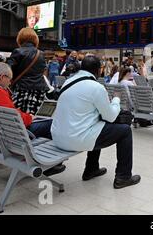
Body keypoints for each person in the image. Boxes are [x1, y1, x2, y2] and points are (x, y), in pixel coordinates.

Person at [50, 55, 141, 189]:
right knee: (125, 131)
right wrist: (116, 100)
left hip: (58, 137)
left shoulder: (68, 82)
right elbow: (110, 117)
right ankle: (123, 177)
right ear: (98, 71)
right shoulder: (96, 87)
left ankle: (91, 169)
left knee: (96, 123)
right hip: (75, 139)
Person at [0, 63, 64, 175]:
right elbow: (15, 120)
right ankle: (47, 165)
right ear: (1, 77)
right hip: (8, 138)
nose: (10, 82)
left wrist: (22, 114)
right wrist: (29, 117)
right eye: (9, 79)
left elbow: (8, 113)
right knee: (50, 123)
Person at [7, 28, 49, 115]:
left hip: (22, 89)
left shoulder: (18, 51)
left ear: (20, 38)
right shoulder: (41, 53)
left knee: (20, 116)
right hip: (39, 90)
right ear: (35, 39)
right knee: (34, 116)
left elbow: (8, 70)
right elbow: (43, 70)